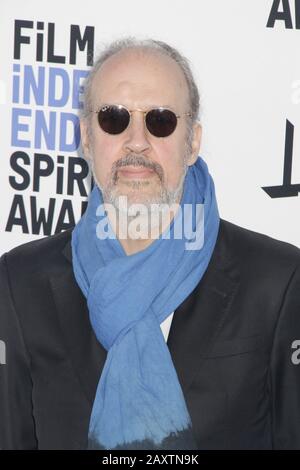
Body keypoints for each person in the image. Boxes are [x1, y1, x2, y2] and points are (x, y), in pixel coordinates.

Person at [0, 37, 300, 450]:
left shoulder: (277, 282)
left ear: (192, 142)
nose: (136, 141)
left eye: (160, 121)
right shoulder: (19, 284)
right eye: (113, 119)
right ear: (87, 139)